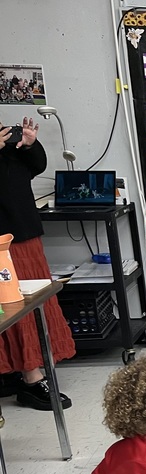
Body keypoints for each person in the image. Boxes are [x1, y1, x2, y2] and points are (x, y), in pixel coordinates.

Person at [0, 117, 74, 411]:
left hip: (24, 234)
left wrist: (30, 144)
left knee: (32, 303)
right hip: (2, 242)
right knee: (11, 306)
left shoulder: (8, 140)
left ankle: (25, 371)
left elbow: (36, 166)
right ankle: (30, 379)